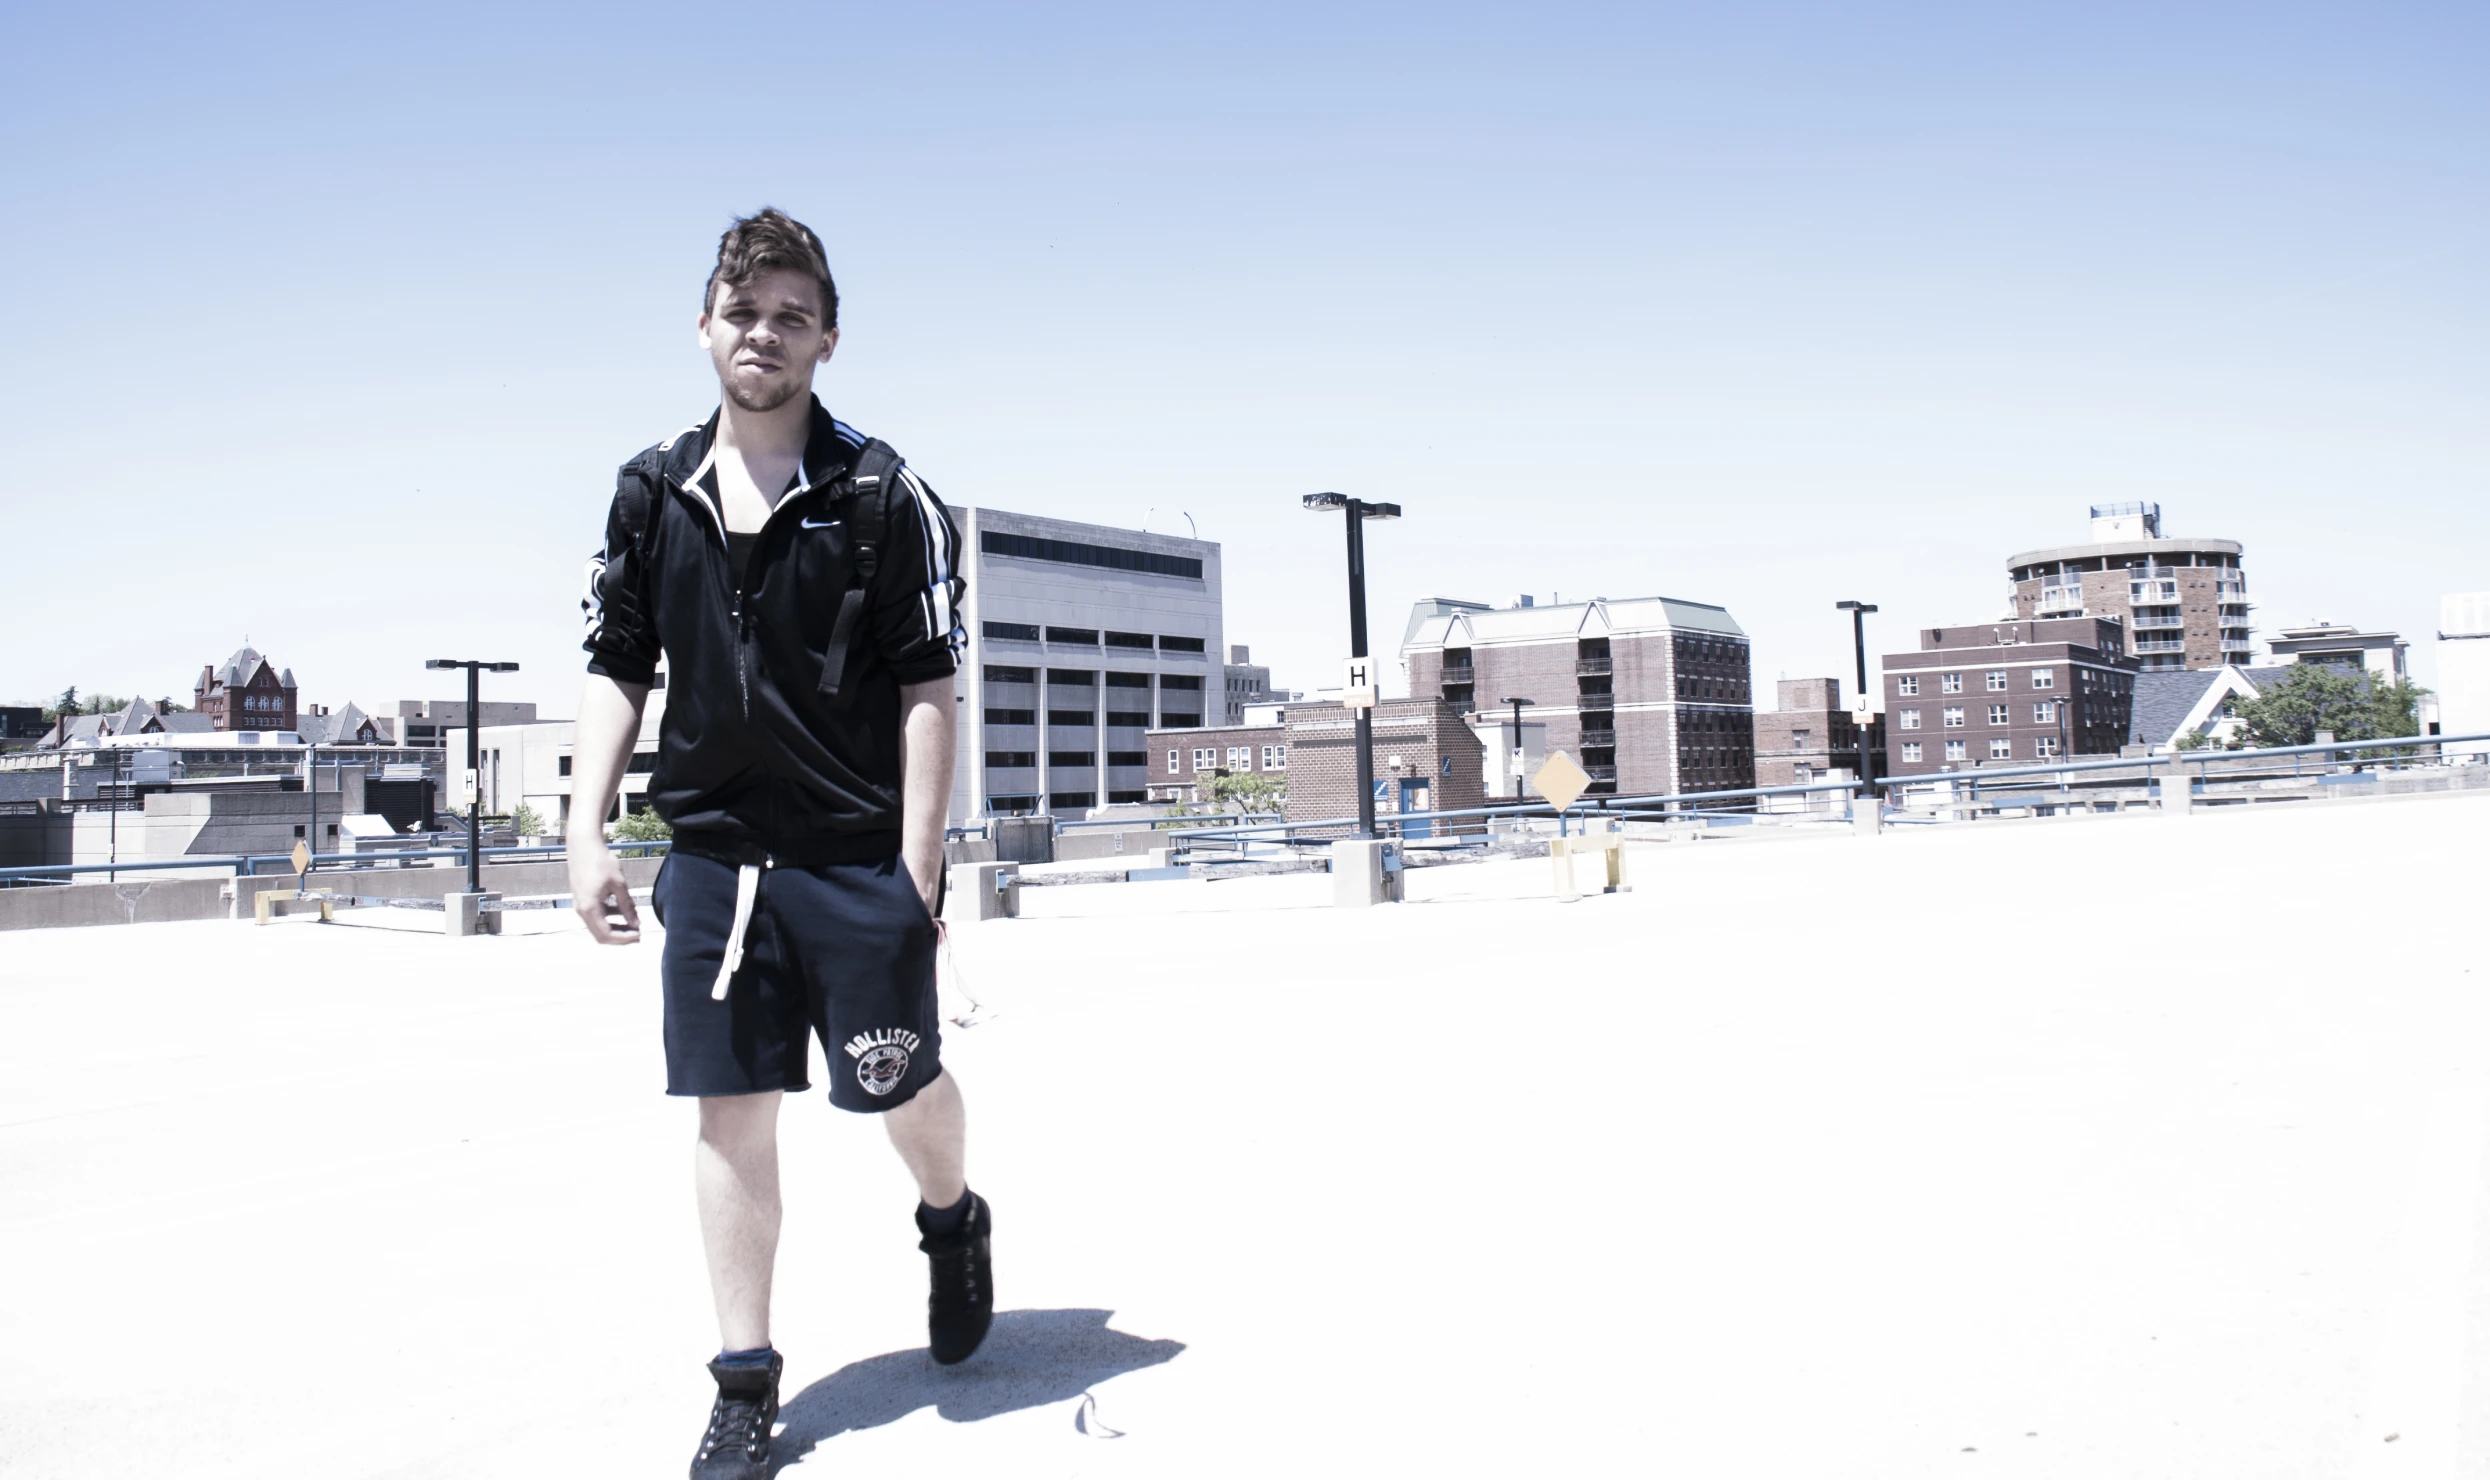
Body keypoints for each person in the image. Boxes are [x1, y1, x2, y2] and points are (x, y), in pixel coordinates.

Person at [567, 208, 988, 1480]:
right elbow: (616, 665)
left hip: (856, 856)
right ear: (705, 325)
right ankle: (745, 1381)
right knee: (729, 1116)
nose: (765, 334)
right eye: (744, 312)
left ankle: (953, 1217)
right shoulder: (652, 492)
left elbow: (928, 686)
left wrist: (917, 870)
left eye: (792, 316)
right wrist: (585, 831)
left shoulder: (878, 491)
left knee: (899, 1089)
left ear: (829, 339)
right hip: (711, 861)